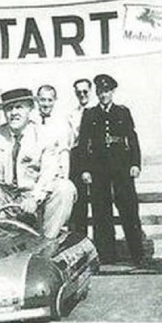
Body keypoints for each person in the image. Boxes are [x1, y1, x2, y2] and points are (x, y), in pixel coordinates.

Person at [0, 88, 75, 239]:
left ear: (30, 108)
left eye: (19, 107)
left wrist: (35, 198)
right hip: (4, 199)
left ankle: (47, 240)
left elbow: (49, 173)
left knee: (65, 188)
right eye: (9, 108)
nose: (14, 113)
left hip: (34, 198)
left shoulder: (45, 136)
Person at [78, 74, 145, 266]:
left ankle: (137, 255)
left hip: (121, 166)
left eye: (106, 91)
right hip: (98, 168)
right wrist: (85, 169)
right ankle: (107, 256)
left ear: (112, 92)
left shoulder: (122, 112)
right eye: (100, 92)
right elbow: (83, 143)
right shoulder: (90, 114)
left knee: (129, 209)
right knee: (101, 212)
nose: (103, 95)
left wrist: (135, 164)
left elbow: (132, 139)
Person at [68, 78, 92, 235]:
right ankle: (80, 238)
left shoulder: (98, 110)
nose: (82, 95)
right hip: (79, 157)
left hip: (97, 157)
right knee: (79, 203)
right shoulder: (72, 115)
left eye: (85, 91)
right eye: (78, 92)